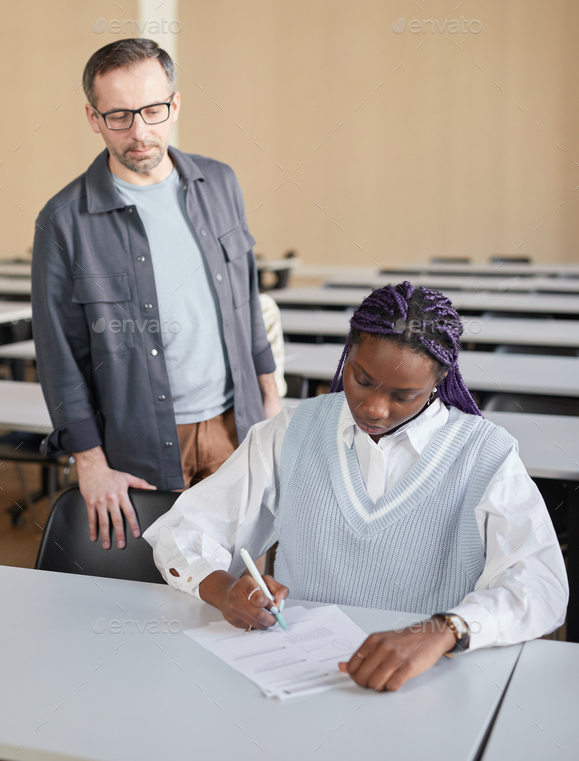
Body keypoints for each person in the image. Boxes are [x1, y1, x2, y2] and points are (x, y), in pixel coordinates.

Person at [144, 283, 567, 692]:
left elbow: (541, 585)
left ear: (438, 380)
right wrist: (224, 590)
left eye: (404, 395)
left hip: (428, 683)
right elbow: (182, 529)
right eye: (362, 380)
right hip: (297, 674)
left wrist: (443, 630)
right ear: (347, 356)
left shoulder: (484, 453)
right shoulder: (293, 431)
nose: (374, 408)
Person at [32, 38, 280, 551]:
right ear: (93, 118)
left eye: (152, 109)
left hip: (240, 427)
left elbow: (246, 298)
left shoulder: (220, 183)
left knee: (249, 577)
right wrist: (90, 463)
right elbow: (59, 357)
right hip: (142, 445)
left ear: (175, 104)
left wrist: (271, 400)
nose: (140, 132)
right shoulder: (63, 222)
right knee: (162, 586)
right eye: (119, 115)